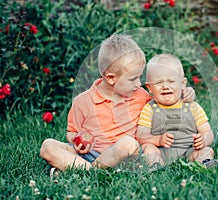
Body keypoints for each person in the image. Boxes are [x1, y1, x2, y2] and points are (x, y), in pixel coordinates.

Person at [40, 34, 195, 171]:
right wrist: (77, 141)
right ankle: (91, 169)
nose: (138, 84)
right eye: (133, 79)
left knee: (128, 144)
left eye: (140, 77)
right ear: (111, 78)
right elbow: (72, 132)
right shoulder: (82, 101)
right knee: (48, 146)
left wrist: (185, 94)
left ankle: (82, 170)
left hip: (125, 156)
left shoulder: (141, 95)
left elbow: (164, 103)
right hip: (90, 154)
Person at [136, 54, 218, 169]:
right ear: (149, 88)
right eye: (158, 83)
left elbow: (207, 131)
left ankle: (205, 163)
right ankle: (156, 165)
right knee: (148, 147)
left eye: (171, 81)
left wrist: (203, 140)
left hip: (190, 150)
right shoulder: (150, 108)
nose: (165, 86)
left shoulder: (192, 107)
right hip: (161, 152)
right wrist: (157, 140)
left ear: (183, 83)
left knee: (206, 150)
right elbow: (141, 135)